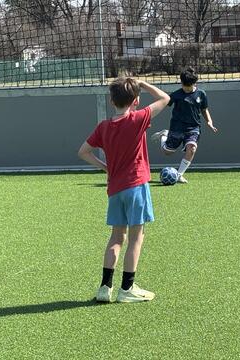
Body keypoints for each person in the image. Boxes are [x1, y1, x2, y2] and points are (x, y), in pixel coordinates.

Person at [78, 78, 170, 303]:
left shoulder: (104, 127)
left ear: (111, 100)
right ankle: (127, 288)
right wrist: (143, 83)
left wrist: (106, 167)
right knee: (137, 237)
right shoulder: (138, 118)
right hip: (136, 186)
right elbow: (165, 98)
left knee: (116, 237)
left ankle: (104, 288)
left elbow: (83, 151)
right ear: (136, 101)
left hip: (115, 189)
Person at [151, 67, 218, 183]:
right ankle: (164, 134)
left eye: (189, 87)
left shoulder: (201, 94)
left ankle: (179, 175)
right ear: (181, 83)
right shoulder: (176, 95)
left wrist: (209, 122)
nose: (186, 89)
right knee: (167, 152)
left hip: (193, 128)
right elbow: (163, 103)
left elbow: (204, 109)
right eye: (184, 87)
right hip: (176, 128)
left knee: (191, 149)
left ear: (194, 83)